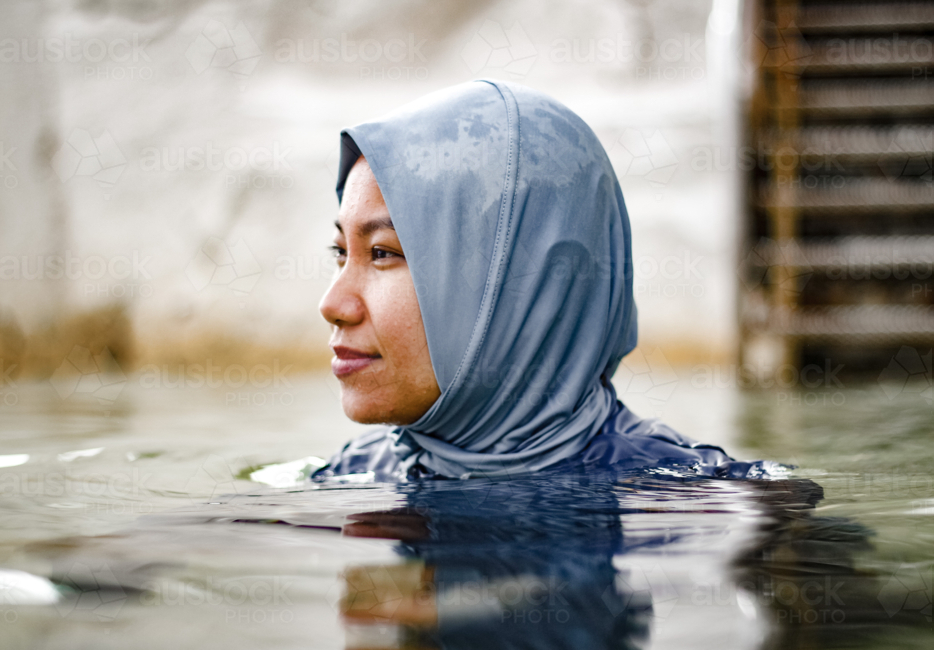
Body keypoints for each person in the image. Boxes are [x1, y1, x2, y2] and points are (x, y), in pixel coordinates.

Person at [314, 79, 776, 483]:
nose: (333, 304)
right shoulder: (347, 476)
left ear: (523, 284)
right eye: (341, 253)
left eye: (383, 253)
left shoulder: (715, 507)